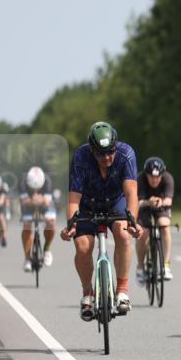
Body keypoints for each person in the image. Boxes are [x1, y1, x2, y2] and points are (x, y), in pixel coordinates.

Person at [60, 121, 142, 320]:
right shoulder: (80, 157)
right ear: (91, 150)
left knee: (123, 236)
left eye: (110, 152)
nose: (106, 157)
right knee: (82, 247)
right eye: (100, 154)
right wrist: (71, 225)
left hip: (116, 201)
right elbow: (73, 200)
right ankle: (87, 293)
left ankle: (122, 291)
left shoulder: (126, 154)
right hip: (88, 204)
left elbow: (131, 194)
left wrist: (133, 222)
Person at [136, 156, 175, 282]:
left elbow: (169, 200)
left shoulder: (168, 179)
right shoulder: (140, 179)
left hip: (161, 205)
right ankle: (141, 268)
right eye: (151, 176)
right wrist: (149, 202)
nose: (154, 180)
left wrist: (159, 202)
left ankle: (166, 265)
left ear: (162, 175)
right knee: (143, 233)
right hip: (144, 206)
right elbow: (137, 202)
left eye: (157, 177)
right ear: (146, 174)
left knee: (164, 226)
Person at [19, 166, 57, 271]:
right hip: (28, 207)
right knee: (26, 225)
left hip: (44, 207)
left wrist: (35, 199)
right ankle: (27, 258)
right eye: (33, 188)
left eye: (38, 188)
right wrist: (38, 199)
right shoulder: (23, 183)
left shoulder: (47, 181)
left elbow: (47, 202)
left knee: (51, 223)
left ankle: (47, 249)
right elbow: (25, 202)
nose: (35, 190)